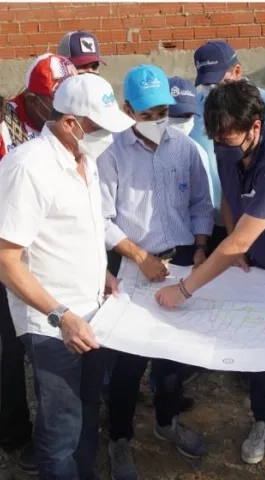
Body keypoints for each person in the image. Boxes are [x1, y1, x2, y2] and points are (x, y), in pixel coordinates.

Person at [154, 80, 265, 467]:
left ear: (255, 127)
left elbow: (237, 242)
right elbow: (229, 200)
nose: (222, 145)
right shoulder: (226, 146)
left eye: (229, 138)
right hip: (260, 265)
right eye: (217, 138)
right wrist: (239, 244)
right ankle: (263, 419)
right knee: (256, 341)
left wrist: (183, 290)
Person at [0, 73, 132, 478]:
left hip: (90, 314)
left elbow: (79, 231)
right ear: (71, 123)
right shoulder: (29, 168)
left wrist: (102, 274)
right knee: (61, 428)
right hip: (52, 325)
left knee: (87, 410)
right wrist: (61, 316)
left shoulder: (85, 160)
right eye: (100, 127)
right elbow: (6, 260)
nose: (108, 136)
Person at [98, 64, 214, 476]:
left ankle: (167, 422)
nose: (156, 121)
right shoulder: (110, 152)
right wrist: (138, 256)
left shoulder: (186, 149)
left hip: (179, 262)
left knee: (172, 355)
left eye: (162, 112)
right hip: (132, 265)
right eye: (146, 114)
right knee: (128, 362)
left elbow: (201, 204)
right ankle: (120, 439)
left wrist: (200, 248)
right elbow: (102, 218)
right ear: (127, 109)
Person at [0, 52, 77, 476]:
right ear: (32, 98)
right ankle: (14, 434)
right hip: (9, 254)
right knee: (8, 352)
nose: (63, 111)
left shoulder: (65, 125)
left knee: (51, 345)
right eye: (54, 102)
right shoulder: (5, 128)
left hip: (48, 254)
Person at [189, 40, 265, 254]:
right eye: (207, 84)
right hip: (211, 221)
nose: (212, 91)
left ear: (237, 71)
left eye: (217, 83)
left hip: (256, 218)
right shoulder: (196, 106)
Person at [1, 53, 77, 158]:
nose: (70, 108)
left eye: (74, 98)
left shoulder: (80, 123)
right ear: (33, 101)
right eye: (61, 101)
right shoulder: (3, 127)